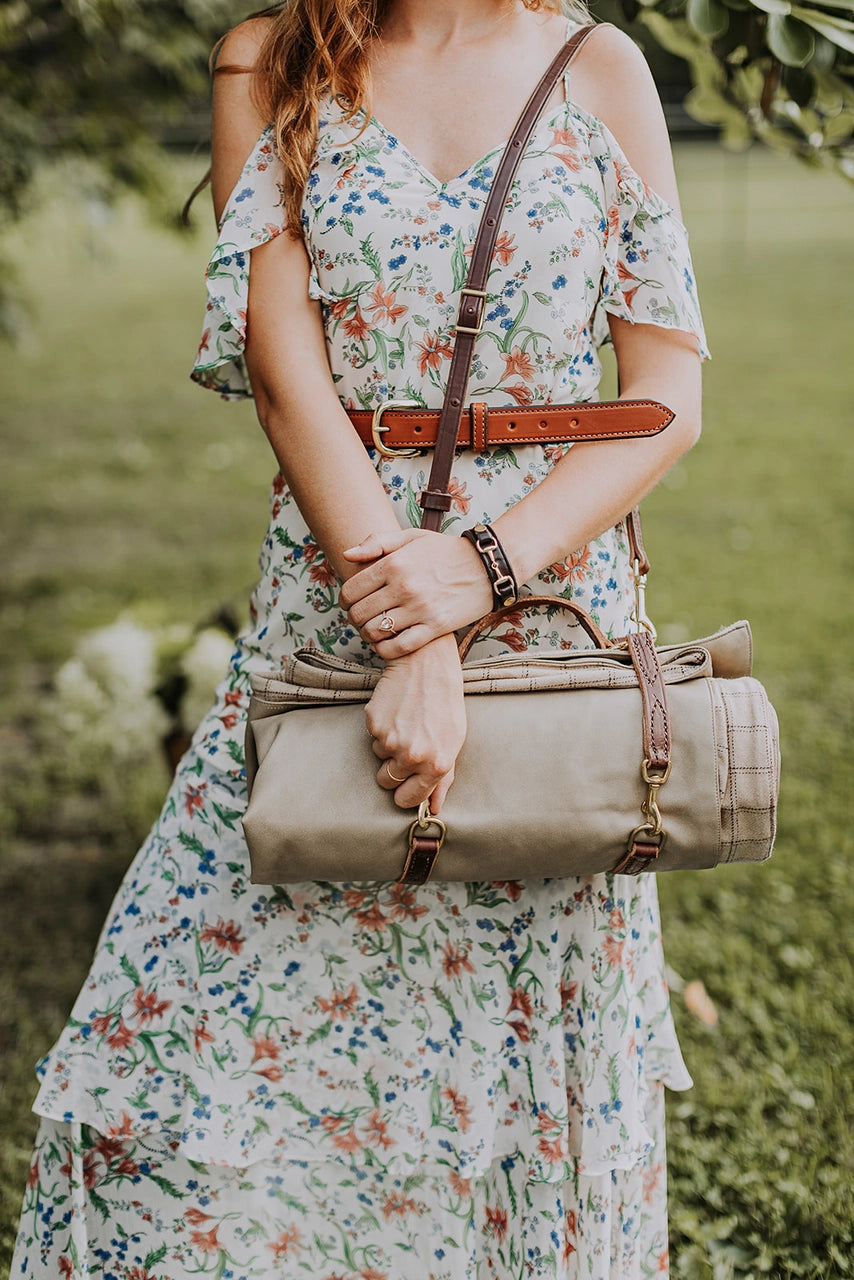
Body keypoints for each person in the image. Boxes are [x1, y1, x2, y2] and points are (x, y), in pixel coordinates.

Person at [12, 1, 709, 1276]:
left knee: (514, 1049)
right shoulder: (270, 61)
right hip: (333, 603)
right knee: (198, 1023)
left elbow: (665, 395)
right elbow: (285, 373)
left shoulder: (598, 66)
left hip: (550, 619)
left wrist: (478, 574)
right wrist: (411, 628)